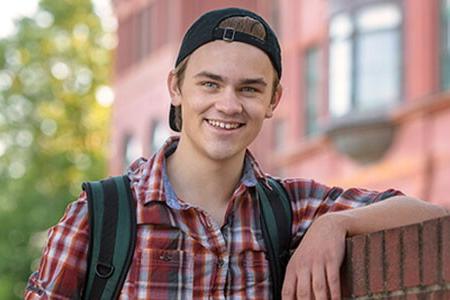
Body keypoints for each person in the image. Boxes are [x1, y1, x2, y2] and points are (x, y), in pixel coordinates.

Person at [25, 7, 448, 300]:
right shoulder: (101, 214)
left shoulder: (293, 208)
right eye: (210, 84)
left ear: (273, 100)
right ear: (176, 87)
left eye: (249, 88)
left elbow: (429, 214)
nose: (228, 105)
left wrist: (336, 225)